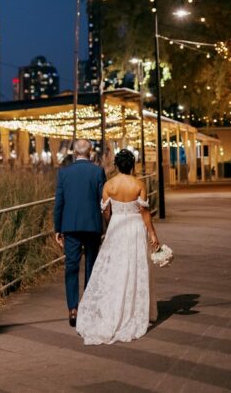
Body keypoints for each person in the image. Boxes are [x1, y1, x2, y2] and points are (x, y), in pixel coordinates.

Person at [76, 149, 159, 345]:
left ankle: (111, 307)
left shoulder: (109, 185)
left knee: (114, 268)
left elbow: (105, 211)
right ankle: (131, 309)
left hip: (117, 226)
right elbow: (145, 211)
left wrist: (111, 222)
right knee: (134, 267)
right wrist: (153, 233)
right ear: (132, 165)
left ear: (116, 165)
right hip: (135, 227)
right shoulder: (138, 184)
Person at [54, 139, 106, 327]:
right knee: (91, 265)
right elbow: (103, 201)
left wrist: (57, 228)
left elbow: (59, 202)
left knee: (71, 266)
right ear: (90, 153)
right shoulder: (98, 172)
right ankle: (89, 306)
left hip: (70, 225)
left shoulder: (64, 173)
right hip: (92, 225)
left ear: (74, 153)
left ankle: (73, 309)